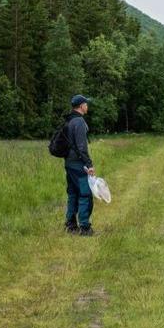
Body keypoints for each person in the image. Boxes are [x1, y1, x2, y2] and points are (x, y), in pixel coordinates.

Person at [64, 94, 96, 236]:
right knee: (85, 194)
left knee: (72, 193)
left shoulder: (69, 121)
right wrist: (89, 164)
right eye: (86, 104)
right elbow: (82, 147)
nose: (87, 106)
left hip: (69, 163)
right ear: (81, 106)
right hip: (78, 164)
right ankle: (85, 227)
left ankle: (70, 225)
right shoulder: (79, 122)